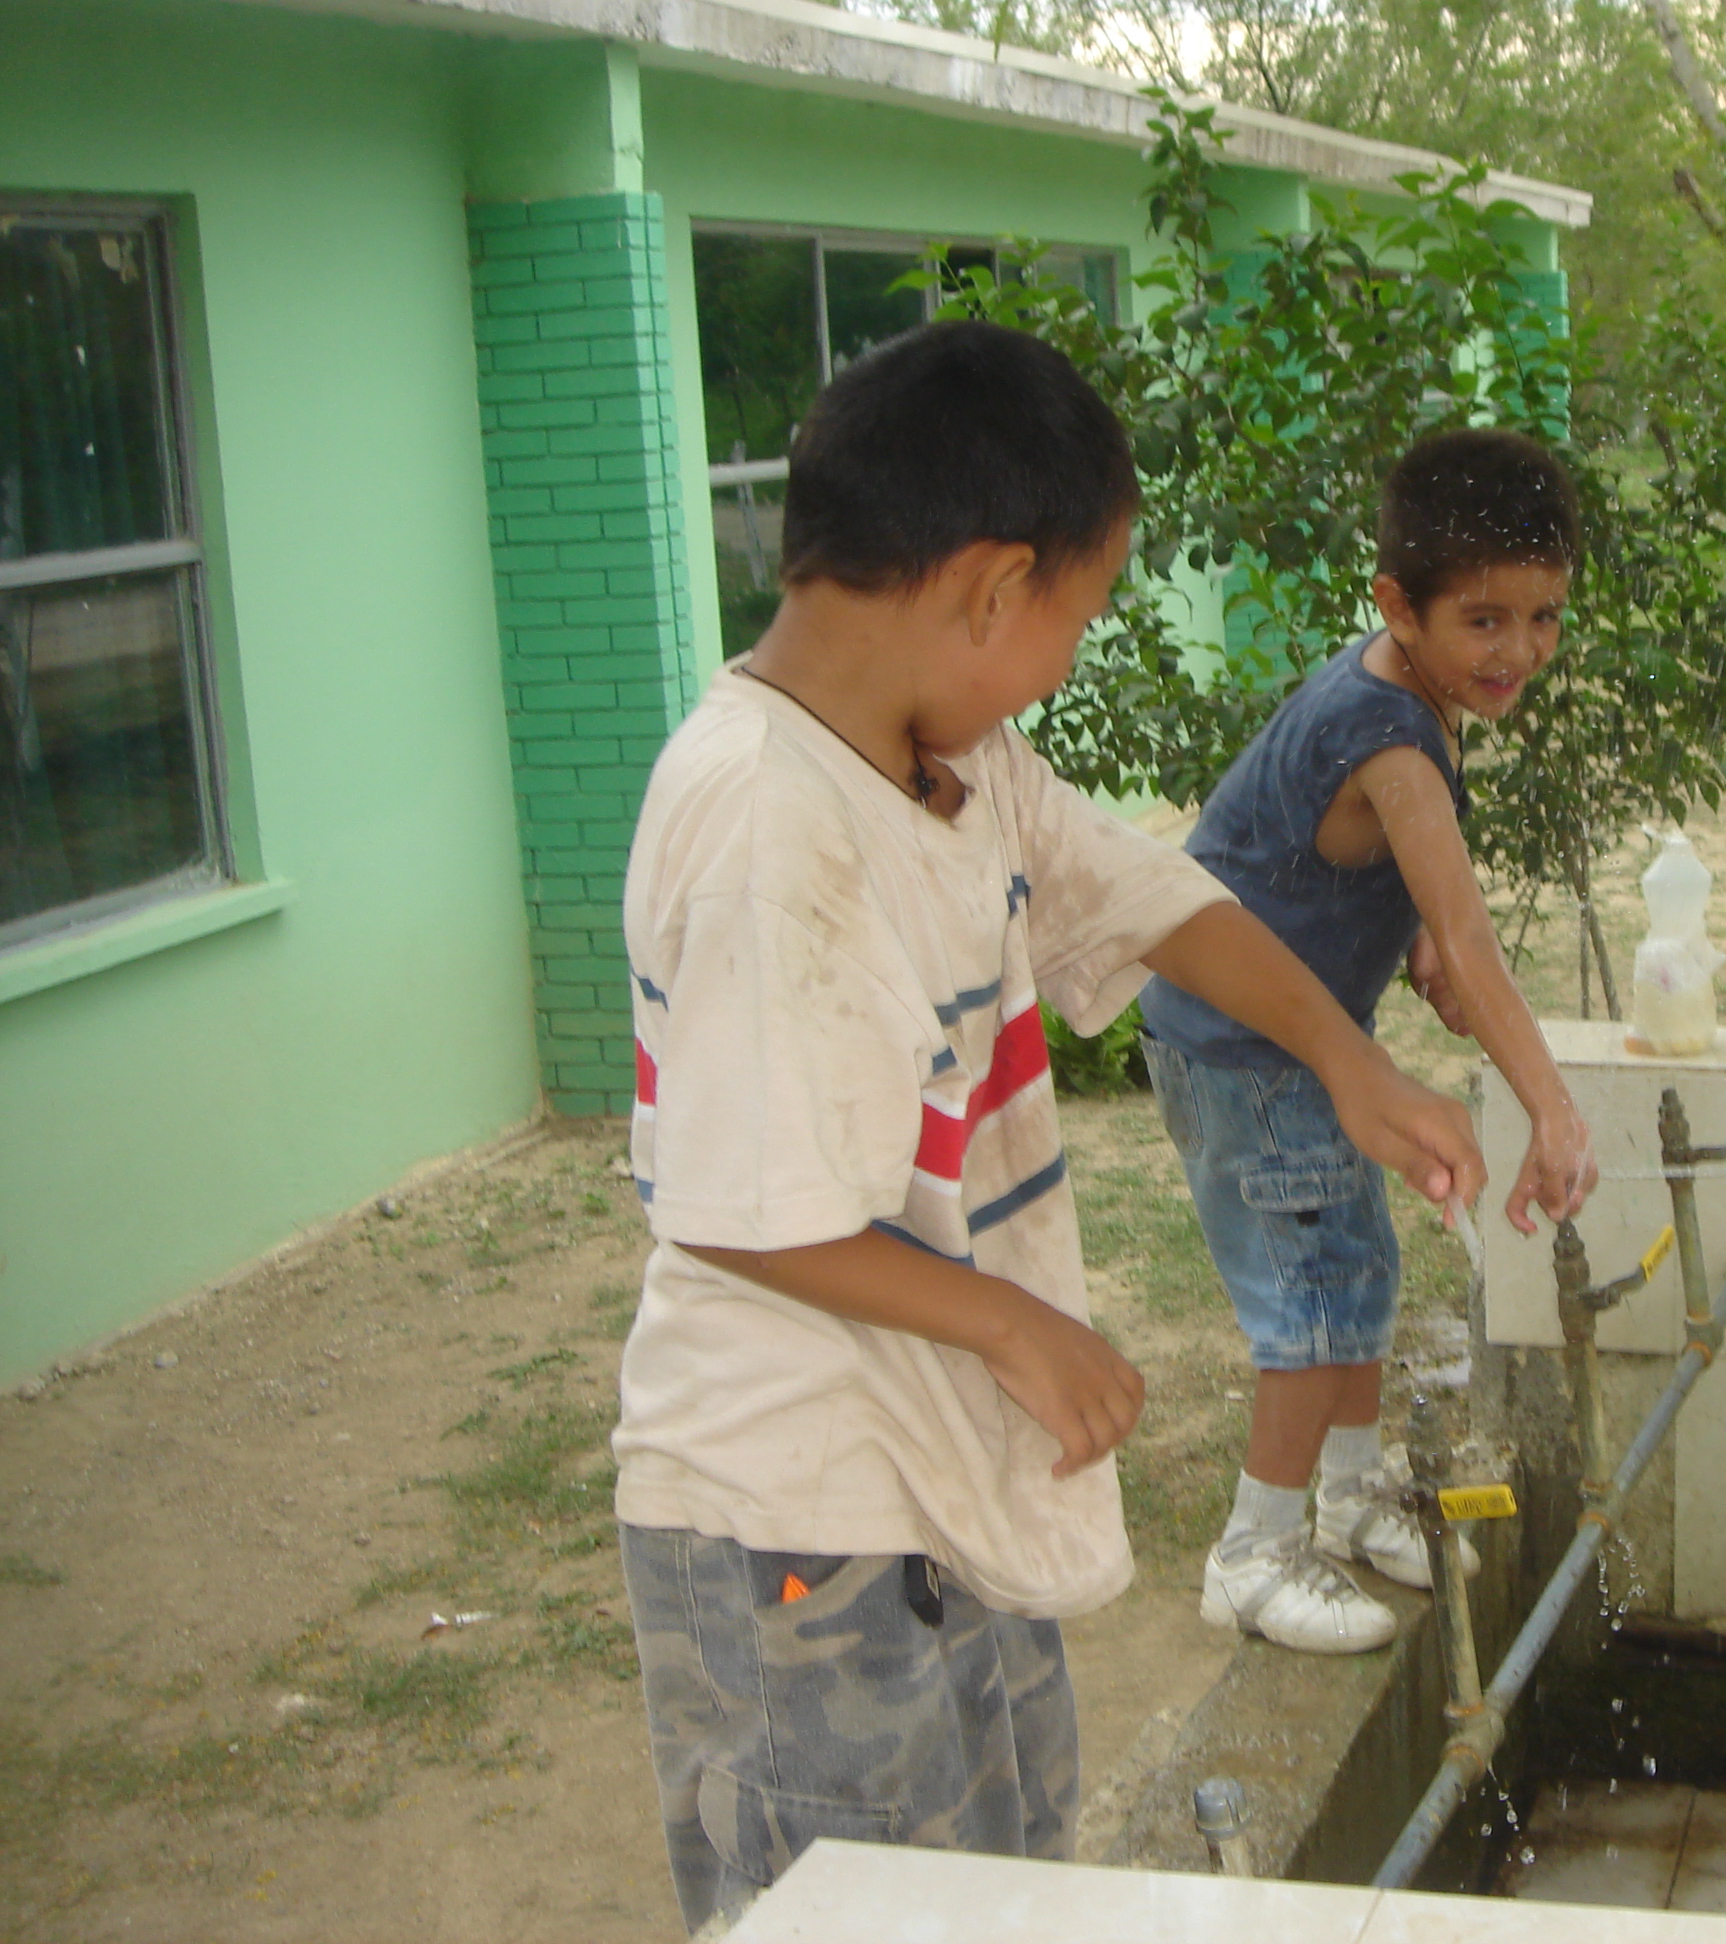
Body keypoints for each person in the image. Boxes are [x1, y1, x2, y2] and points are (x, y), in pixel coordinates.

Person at [613, 320, 1485, 1938]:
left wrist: (1346, 1063)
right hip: (789, 1502)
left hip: (942, 1472)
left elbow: (1152, 894)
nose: (1067, 659)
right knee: (856, 1901)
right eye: (1077, 617)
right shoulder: (762, 813)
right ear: (990, 587)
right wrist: (1009, 1318)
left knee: (1001, 1872)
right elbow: (735, 1205)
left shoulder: (957, 761)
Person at [1138, 426, 1600, 1657]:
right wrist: (1550, 1107)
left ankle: (1344, 1500)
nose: (1520, 652)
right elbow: (1470, 929)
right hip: (1245, 1047)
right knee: (1310, 1298)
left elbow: (1336, 865)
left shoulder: (1410, 695)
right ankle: (1254, 1551)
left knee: (1359, 1273)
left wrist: (1407, 943)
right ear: (1398, 603)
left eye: (1545, 616)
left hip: (1285, 1033)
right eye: (1486, 621)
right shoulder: (1390, 736)